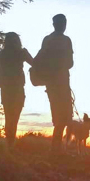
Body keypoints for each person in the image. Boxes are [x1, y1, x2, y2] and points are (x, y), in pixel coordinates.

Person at [34, 14, 74, 154]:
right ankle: (56, 149)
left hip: (51, 83)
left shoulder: (47, 40)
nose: (63, 25)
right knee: (65, 116)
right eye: (63, 23)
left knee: (58, 115)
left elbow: (38, 59)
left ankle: (57, 148)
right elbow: (70, 63)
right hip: (61, 82)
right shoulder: (66, 40)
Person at [0, 32, 33, 149]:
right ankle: (11, 144)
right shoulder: (21, 53)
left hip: (6, 89)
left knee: (9, 117)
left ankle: (9, 144)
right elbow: (34, 63)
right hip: (17, 89)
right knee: (14, 118)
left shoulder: (0, 55)